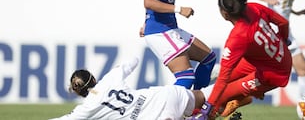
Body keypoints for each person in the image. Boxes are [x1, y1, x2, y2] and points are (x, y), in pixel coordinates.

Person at [189, 0, 293, 120]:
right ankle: (239, 99)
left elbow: (223, 79)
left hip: (273, 74)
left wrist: (207, 109)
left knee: (220, 95)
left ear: (225, 14)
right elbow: (283, 23)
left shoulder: (238, 37)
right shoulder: (254, 7)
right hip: (268, 60)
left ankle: (210, 112)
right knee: (219, 87)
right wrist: (283, 39)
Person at [48, 57, 209, 120]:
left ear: (77, 92)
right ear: (93, 78)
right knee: (209, 95)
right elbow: (134, 60)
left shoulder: (85, 109)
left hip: (154, 117)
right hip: (164, 95)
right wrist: (118, 69)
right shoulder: (109, 79)